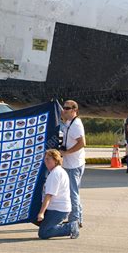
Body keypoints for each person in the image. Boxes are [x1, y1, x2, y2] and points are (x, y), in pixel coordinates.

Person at [37, 149, 80, 239]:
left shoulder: (55, 174)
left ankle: (71, 227)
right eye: (45, 159)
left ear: (55, 160)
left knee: (44, 233)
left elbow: (48, 196)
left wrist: (41, 213)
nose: (46, 161)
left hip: (58, 209)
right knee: (41, 225)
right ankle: (52, 224)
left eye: (48, 159)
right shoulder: (58, 171)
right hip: (57, 208)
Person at [59, 100, 86, 228]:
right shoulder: (70, 122)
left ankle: (74, 220)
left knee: (72, 193)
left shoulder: (76, 125)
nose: (64, 110)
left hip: (73, 164)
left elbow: (82, 143)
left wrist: (66, 153)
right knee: (72, 192)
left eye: (67, 108)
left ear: (74, 110)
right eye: (64, 108)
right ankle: (77, 218)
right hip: (72, 163)